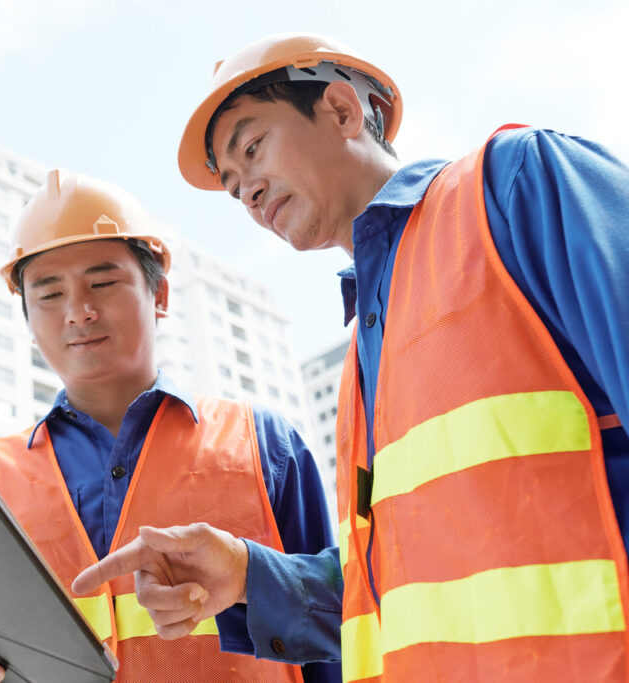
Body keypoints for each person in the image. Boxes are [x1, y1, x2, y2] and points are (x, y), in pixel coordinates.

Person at [72, 33, 629, 681]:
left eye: (251, 149)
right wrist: (252, 574)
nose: (246, 192)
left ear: (340, 110)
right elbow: (400, 581)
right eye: (231, 187)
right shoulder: (363, 362)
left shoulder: (513, 185)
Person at [0, 169, 340, 682]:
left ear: (160, 293)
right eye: (49, 295)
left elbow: (346, 631)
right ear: (28, 320)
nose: (78, 312)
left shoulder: (263, 447)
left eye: (102, 282)